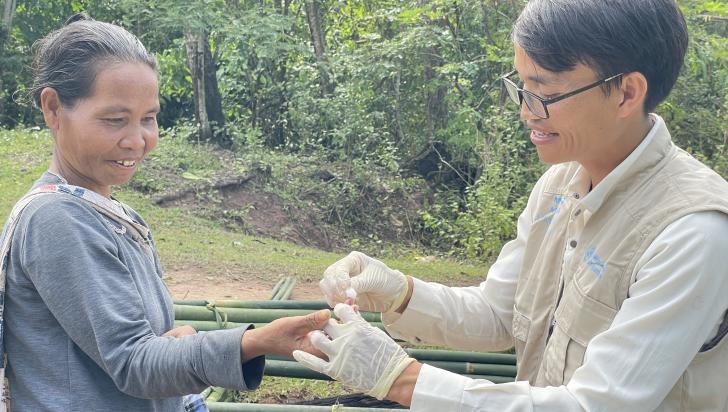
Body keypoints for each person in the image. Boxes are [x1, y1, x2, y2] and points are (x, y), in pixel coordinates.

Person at [293, 0, 728, 410]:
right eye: (519, 86)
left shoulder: (693, 233)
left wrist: (401, 378)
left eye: (544, 93)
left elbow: (593, 404)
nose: (525, 111)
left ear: (627, 93)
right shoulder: (559, 185)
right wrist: (401, 292)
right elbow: (500, 313)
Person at [0, 13, 330, 411]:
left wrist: (173, 340)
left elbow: (136, 347)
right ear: (53, 108)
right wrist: (255, 341)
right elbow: (135, 364)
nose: (138, 140)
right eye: (115, 120)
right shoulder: (58, 220)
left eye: (149, 119)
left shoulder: (105, 212)